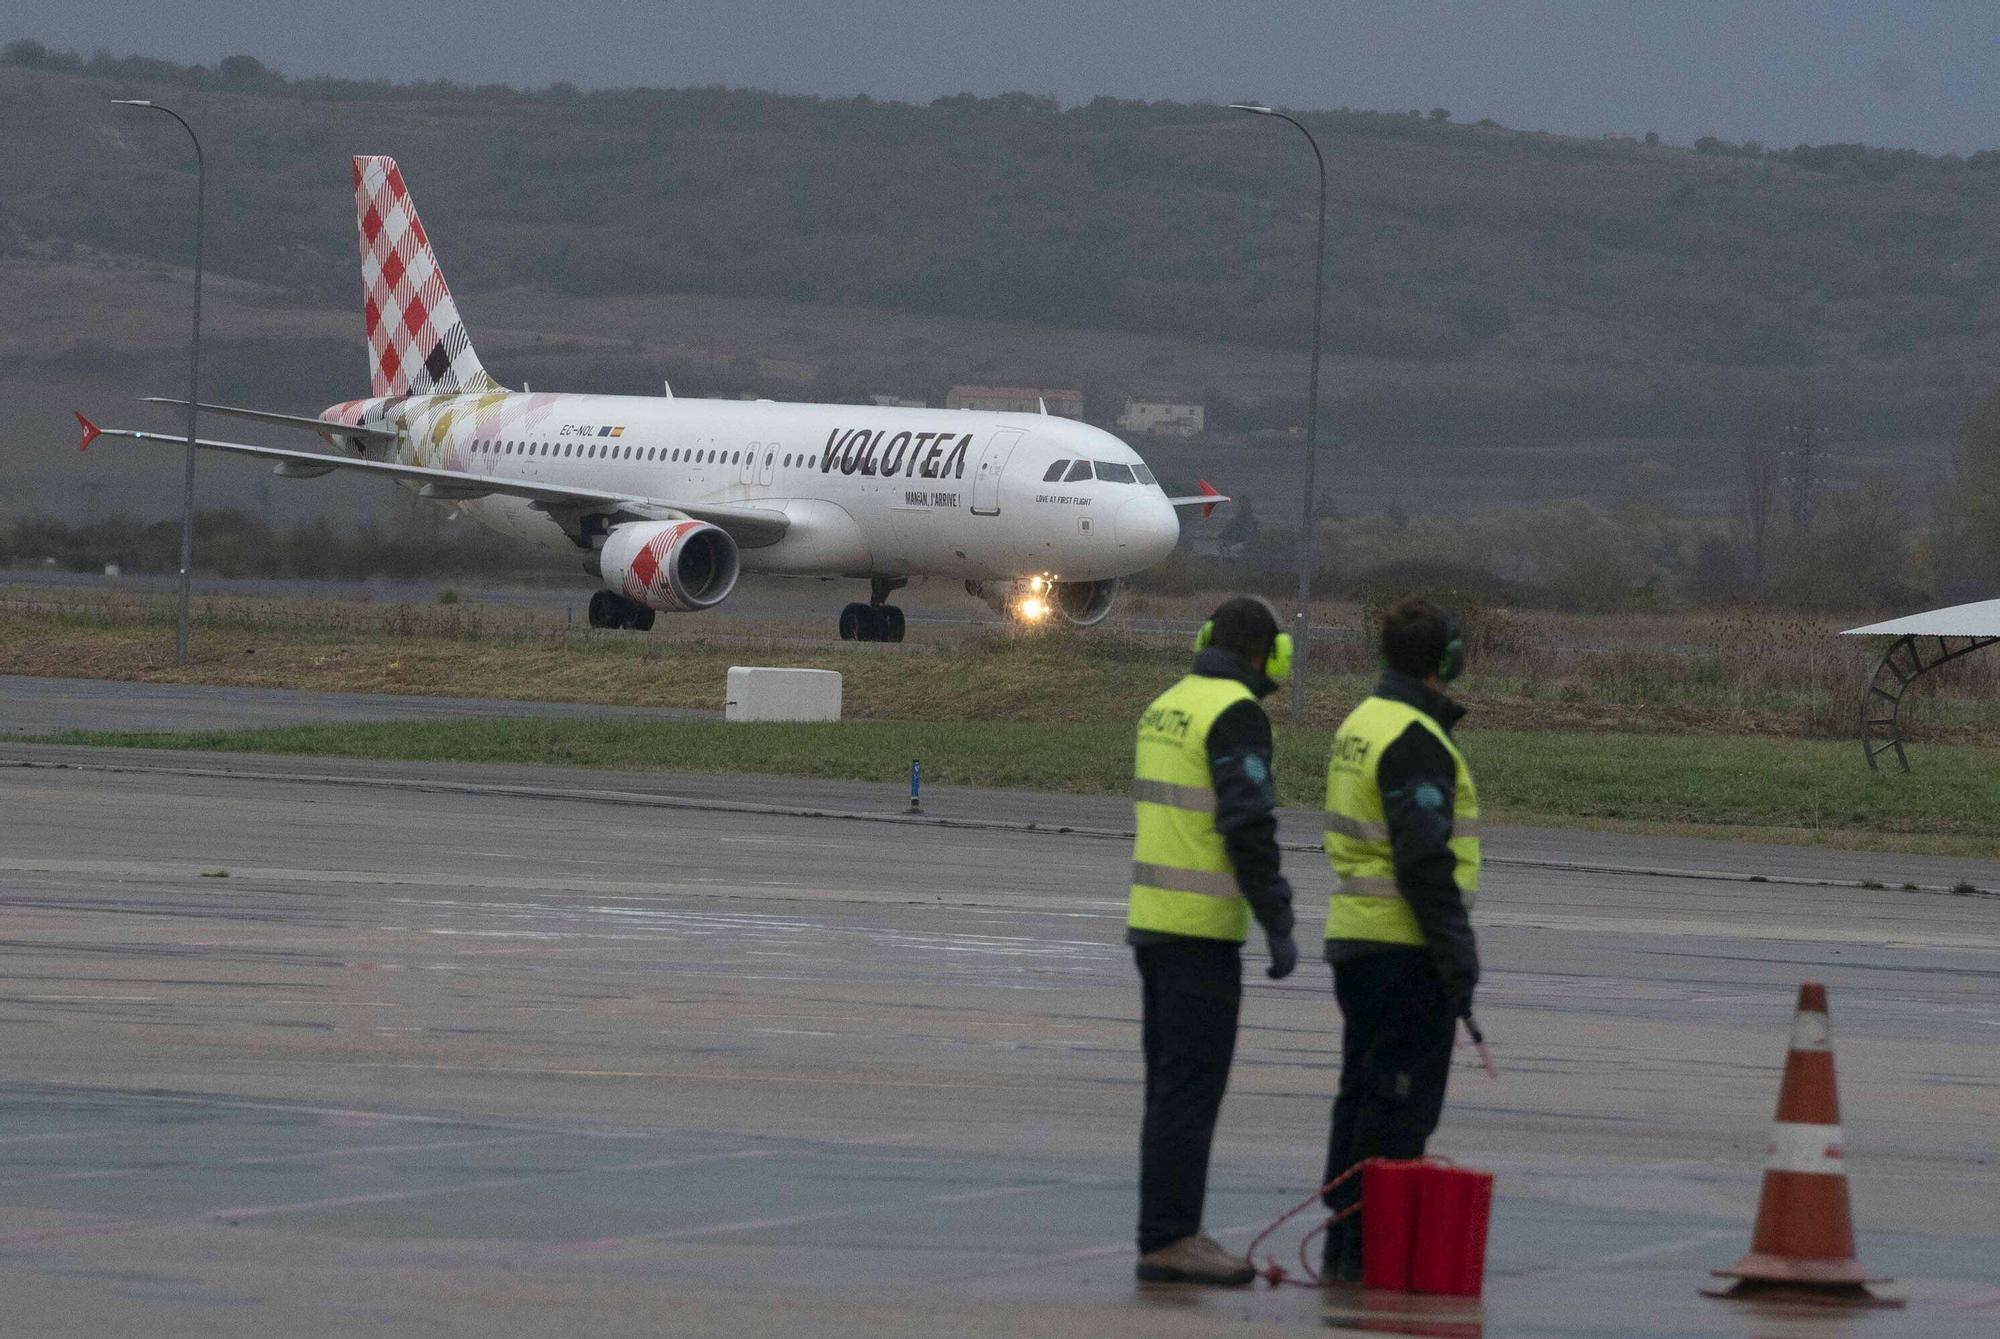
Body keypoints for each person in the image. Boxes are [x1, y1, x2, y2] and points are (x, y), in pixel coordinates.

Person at [1129, 595, 1300, 1286]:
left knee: (1170, 1089)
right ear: (1268, 655)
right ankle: (1171, 1237)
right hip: (1200, 934)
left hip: (1154, 923)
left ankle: (1166, 1230)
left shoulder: (1168, 703)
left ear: (1207, 638)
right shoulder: (1235, 712)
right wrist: (1278, 919)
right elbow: (1248, 823)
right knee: (1191, 1090)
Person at [1317, 598, 1482, 1283]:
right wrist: (1457, 955)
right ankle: (1370, 1252)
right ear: (1447, 662)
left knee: (1361, 1097)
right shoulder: (1414, 736)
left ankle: (1343, 1244)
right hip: (1403, 948)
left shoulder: (1363, 721)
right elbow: (1422, 858)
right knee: (1398, 1109)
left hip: (1358, 940)